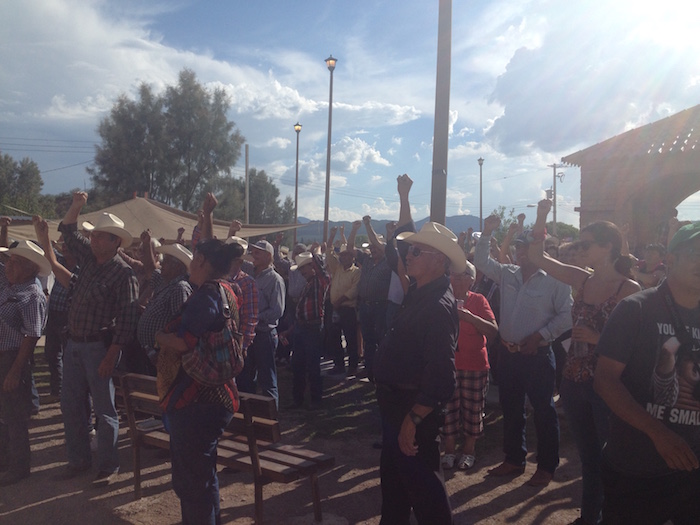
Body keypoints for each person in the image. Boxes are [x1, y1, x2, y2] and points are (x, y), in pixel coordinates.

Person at [529, 200, 640, 525]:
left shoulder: (629, 289)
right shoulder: (584, 280)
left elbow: (635, 344)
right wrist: (540, 217)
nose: (579, 248)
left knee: (613, 459)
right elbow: (538, 257)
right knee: (590, 459)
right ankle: (591, 517)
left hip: (607, 385)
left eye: (585, 244)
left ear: (608, 247)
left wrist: (597, 338)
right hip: (574, 382)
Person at [593, 221, 700, 524]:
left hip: (694, 468)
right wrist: (658, 433)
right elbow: (604, 380)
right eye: (696, 252)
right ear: (673, 259)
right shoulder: (635, 309)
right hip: (637, 467)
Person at [373, 173, 462, 524]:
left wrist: (413, 418)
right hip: (395, 405)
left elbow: (442, 376)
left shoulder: (438, 305)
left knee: (425, 491)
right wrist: (404, 197)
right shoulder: (420, 291)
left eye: (416, 251)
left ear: (439, 261)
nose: (407, 255)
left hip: (411, 409)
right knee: (395, 488)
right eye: (409, 250)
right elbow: (399, 240)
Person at [474, 214, 572, 487]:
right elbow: (481, 262)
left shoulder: (556, 280)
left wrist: (542, 335)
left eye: (524, 247)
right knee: (512, 408)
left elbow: (568, 314)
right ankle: (514, 459)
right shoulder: (508, 273)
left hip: (537, 356)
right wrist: (486, 233)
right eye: (517, 247)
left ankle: (547, 466)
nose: (519, 252)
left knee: (543, 411)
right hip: (508, 354)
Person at [156, 238, 244, 525]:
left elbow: (183, 344)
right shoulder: (228, 291)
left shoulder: (204, 297)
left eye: (193, 258)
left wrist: (158, 337)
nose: (189, 264)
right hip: (217, 397)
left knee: (192, 482)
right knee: (203, 476)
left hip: (195, 401)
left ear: (203, 261)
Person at [57, 192, 140, 483]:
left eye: (101, 236)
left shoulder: (123, 273)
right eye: (94, 235)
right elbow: (67, 230)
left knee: (104, 409)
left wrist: (111, 354)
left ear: (116, 242)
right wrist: (77, 206)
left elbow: (128, 321)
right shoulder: (91, 260)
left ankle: (108, 465)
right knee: (71, 403)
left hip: (98, 347)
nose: (93, 239)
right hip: (75, 344)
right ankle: (78, 460)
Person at [0, 236, 49, 486]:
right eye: (9, 261)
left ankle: (19, 466)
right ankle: (6, 460)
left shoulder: (31, 294)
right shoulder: (9, 285)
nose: (9, 265)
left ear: (31, 267)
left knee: (15, 415)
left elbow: (32, 336)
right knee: (4, 412)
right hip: (4, 356)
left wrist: (14, 371)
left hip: (13, 358)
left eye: (16, 262)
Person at [441, 259, 498, 471]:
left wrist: (470, 318)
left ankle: (468, 451)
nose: (457, 278)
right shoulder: (442, 299)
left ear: (471, 280)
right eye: (454, 274)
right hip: (448, 365)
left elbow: (492, 331)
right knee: (448, 410)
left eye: (463, 274)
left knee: (473, 411)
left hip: (475, 366)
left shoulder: (479, 300)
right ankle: (448, 451)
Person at [237, 240, 285, 407]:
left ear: (268, 256)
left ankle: (272, 420)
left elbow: (277, 311)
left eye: (258, 252)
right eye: (253, 252)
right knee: (245, 377)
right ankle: (250, 417)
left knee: (267, 380)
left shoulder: (275, 280)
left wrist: (253, 318)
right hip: (250, 334)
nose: (253, 255)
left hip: (264, 334)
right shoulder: (250, 273)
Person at [136, 235, 194, 374]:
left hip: (161, 354)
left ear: (176, 267)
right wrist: (147, 243)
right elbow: (150, 268)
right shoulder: (164, 281)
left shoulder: (180, 288)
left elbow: (179, 325)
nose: (162, 265)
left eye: (166, 262)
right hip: (148, 350)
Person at [351, 216, 392, 381]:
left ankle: (381, 371)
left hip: (380, 306)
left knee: (381, 339)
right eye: (372, 248)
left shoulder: (389, 262)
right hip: (365, 305)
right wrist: (353, 230)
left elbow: (377, 242)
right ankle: (369, 370)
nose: (373, 249)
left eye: (376, 247)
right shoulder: (367, 260)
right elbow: (350, 249)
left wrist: (368, 225)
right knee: (368, 340)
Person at [289, 251, 329, 410]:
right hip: (303, 327)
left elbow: (322, 272)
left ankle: (315, 399)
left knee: (312, 365)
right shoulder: (309, 284)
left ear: (313, 267)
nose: (302, 272)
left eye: (305, 268)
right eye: (301, 269)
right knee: (298, 364)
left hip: (312, 327)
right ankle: (299, 399)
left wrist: (313, 255)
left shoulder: (319, 282)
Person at [325, 227, 361, 376]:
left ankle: (353, 366)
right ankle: (338, 364)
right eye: (343, 255)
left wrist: (339, 301)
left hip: (347, 309)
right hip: (336, 307)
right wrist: (332, 236)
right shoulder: (337, 268)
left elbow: (353, 291)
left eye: (347, 255)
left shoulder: (357, 272)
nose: (344, 257)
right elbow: (328, 253)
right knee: (334, 338)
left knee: (351, 338)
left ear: (352, 257)